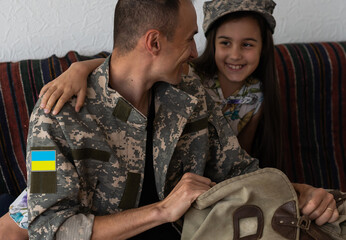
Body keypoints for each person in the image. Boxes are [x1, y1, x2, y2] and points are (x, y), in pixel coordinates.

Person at [1, 0, 343, 239]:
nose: (196, 51)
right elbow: (49, 228)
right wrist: (162, 211)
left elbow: (239, 172)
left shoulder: (191, 91)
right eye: (189, 38)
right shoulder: (53, 118)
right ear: (153, 42)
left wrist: (303, 193)